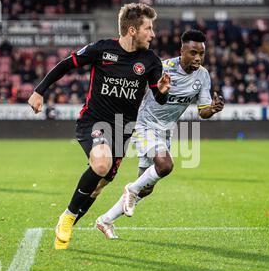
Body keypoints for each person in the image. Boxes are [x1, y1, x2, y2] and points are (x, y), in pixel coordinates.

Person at [28, 3, 171, 250]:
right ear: (132, 30)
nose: (153, 34)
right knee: (101, 164)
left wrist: (163, 92)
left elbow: (158, 96)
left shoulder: (150, 60)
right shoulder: (102, 49)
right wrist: (39, 91)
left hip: (122, 130)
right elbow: (65, 64)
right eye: (148, 28)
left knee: (98, 185)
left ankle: (66, 228)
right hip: (94, 121)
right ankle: (68, 216)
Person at [96, 29, 224, 239]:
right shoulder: (162, 68)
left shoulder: (203, 75)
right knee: (165, 165)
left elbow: (203, 112)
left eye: (201, 53)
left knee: (146, 188)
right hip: (144, 125)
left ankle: (105, 220)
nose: (198, 58)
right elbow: (133, 88)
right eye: (193, 52)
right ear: (181, 50)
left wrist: (214, 108)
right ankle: (130, 189)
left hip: (165, 131)